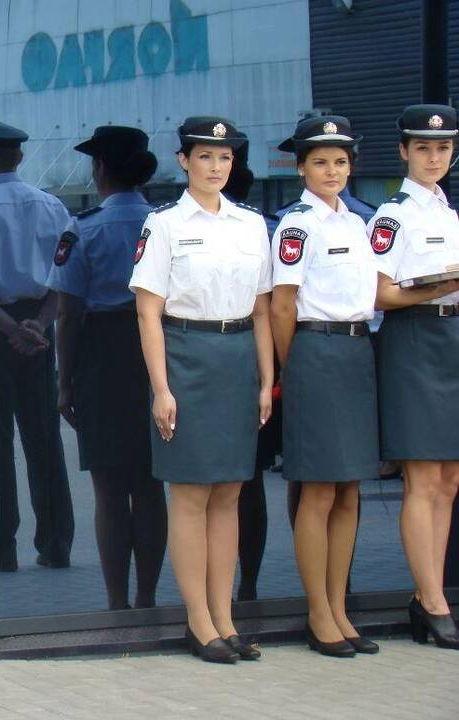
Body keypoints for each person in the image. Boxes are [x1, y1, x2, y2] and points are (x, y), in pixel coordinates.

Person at [130, 117, 273, 663]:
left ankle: (225, 617)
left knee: (230, 491)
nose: (216, 167)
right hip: (185, 355)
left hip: (237, 357)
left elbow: (261, 309)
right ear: (184, 160)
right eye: (205, 157)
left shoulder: (250, 224)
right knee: (189, 494)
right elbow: (148, 313)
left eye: (225, 158)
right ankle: (198, 620)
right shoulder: (162, 223)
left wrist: (266, 380)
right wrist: (160, 389)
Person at [270, 116, 380, 657]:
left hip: (358, 351)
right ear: (301, 168)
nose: (331, 171)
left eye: (340, 161)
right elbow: (282, 304)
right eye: (320, 162)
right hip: (314, 349)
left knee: (350, 488)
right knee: (318, 489)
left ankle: (340, 607)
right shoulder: (296, 225)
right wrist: (297, 367)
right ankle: (318, 612)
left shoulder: (361, 223)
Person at [47, 125, 166, 609]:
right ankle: (148, 597)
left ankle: (116, 601)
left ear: (99, 169)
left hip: (100, 354)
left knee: (109, 489)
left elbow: (68, 314)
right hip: (155, 351)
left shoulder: (82, 228)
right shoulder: (164, 224)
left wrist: (64, 382)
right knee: (151, 484)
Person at [368, 104, 459, 650]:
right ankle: (432, 600)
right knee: (423, 479)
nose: (434, 157)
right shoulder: (392, 216)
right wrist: (441, 287)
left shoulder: (450, 215)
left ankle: (431, 597)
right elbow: (379, 293)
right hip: (415, 342)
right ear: (403, 151)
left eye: (444, 147)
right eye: (423, 148)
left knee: (449, 479)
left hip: (451, 341)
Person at [0, 116, 75, 571]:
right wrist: (39, 325)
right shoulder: (51, 207)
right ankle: (56, 543)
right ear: (19, 156)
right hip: (40, 328)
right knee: (44, 440)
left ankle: (2, 548)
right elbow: (63, 276)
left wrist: (10, 329)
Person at [223, 141, 277, 603]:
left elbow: (268, 309)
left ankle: (250, 584)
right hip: (243, 361)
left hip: (256, 360)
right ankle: (245, 585)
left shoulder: (265, 229)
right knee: (246, 482)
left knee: (247, 480)